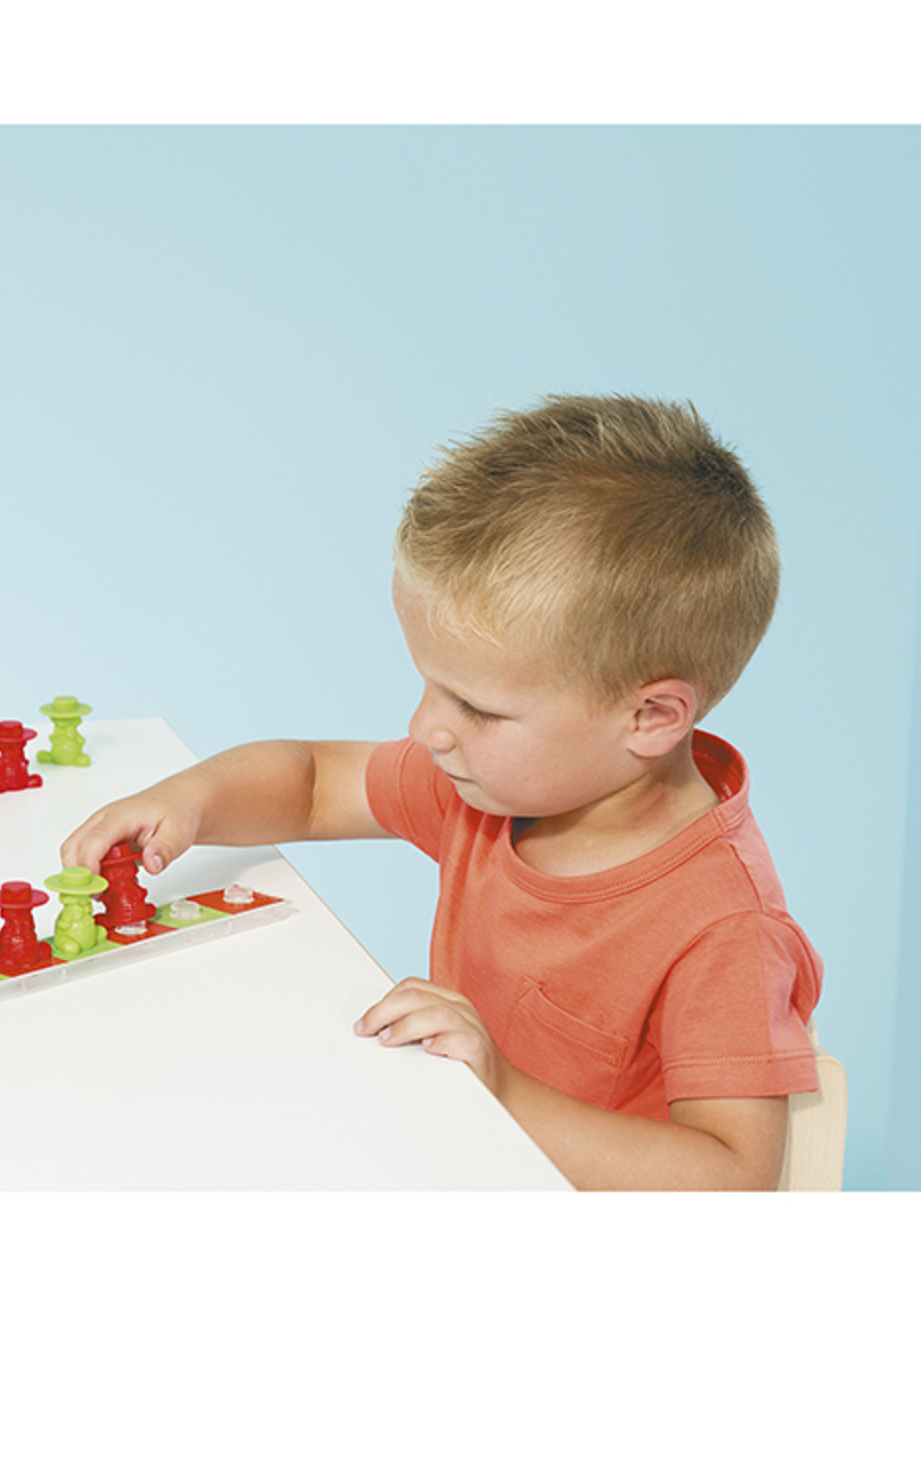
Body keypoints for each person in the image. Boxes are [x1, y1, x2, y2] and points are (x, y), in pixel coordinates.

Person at [61, 394, 823, 1190]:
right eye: (430, 685)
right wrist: (188, 801)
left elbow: (732, 1180)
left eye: (477, 708)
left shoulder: (725, 928)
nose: (425, 727)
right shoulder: (496, 789)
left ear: (651, 717)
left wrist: (503, 1089)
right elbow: (314, 783)